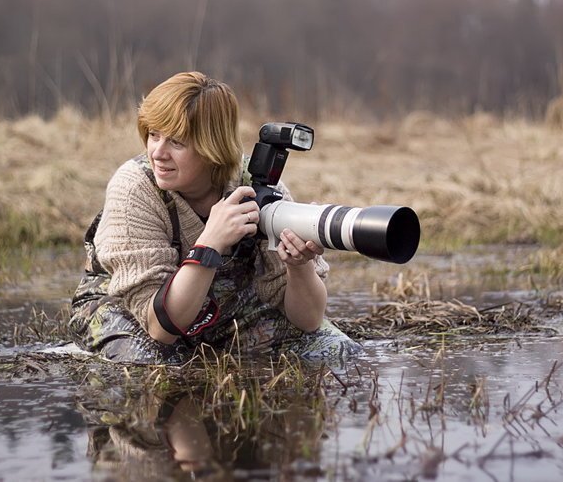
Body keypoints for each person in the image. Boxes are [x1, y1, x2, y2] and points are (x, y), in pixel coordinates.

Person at [69, 71, 362, 364]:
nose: (158, 152)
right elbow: (161, 328)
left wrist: (299, 267)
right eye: (153, 135)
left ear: (212, 146)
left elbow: (308, 321)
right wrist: (210, 243)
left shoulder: (257, 186)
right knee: (156, 361)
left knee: (334, 349)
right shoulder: (135, 188)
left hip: (220, 307)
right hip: (131, 310)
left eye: (177, 141)